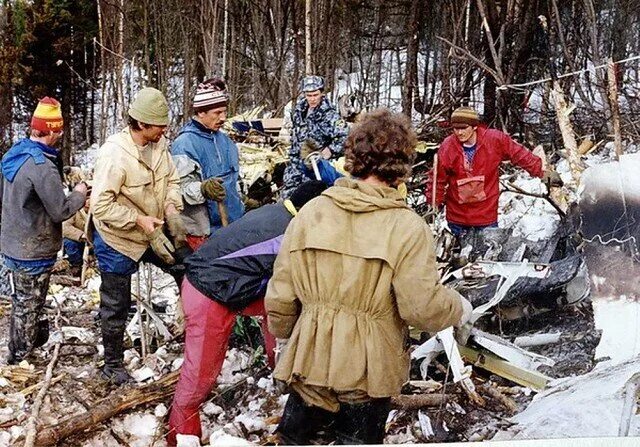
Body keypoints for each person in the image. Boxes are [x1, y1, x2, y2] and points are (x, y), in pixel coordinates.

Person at [265, 109, 472, 445]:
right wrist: (459, 307)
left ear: (354, 156)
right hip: (367, 371)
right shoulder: (407, 228)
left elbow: (280, 294)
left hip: (309, 362)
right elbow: (420, 307)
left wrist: (289, 339)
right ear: (403, 164)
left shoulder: (313, 212)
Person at [167, 180, 327, 446]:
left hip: (228, 283)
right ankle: (181, 434)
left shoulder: (277, 212)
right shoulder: (288, 234)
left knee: (283, 307)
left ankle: (278, 369)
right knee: (201, 374)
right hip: (210, 291)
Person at [90, 87, 186, 385]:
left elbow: (172, 179)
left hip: (153, 230)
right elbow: (100, 206)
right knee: (115, 302)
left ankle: (192, 332)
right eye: (159, 125)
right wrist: (138, 219)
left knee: (187, 268)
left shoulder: (159, 146)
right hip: (117, 238)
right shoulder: (114, 155)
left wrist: (171, 207)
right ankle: (113, 365)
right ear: (141, 124)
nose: (164, 130)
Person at [0, 97, 88, 364]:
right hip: (33, 249)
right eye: (58, 130)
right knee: (29, 307)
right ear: (49, 131)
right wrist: (80, 193)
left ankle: (20, 349)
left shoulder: (14, 154)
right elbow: (60, 210)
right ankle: (20, 360)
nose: (60, 135)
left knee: (21, 303)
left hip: (12, 243)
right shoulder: (42, 166)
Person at [427, 106, 562, 237]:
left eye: (464, 128)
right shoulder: (448, 146)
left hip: (485, 216)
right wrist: (433, 205)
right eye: (456, 128)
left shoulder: (494, 140)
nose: (459, 133)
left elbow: (519, 154)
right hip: (457, 217)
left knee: (487, 255)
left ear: (474, 126)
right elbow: (437, 179)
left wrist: (542, 172)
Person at [171, 78, 245, 250]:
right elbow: (179, 190)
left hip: (233, 226)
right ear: (201, 112)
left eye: (225, 112)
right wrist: (203, 189)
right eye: (217, 113)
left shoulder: (225, 141)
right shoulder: (184, 144)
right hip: (203, 232)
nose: (223, 118)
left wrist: (243, 200)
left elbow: (234, 179)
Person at [281, 75, 349, 197]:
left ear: (322, 93)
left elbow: (345, 137)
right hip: (295, 165)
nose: (312, 99)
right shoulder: (299, 111)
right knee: (288, 199)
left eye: (315, 95)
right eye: (309, 95)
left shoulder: (329, 115)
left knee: (310, 201)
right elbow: (296, 134)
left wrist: (329, 151)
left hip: (314, 168)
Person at [62, 198, 89, 275]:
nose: (89, 201)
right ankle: (76, 265)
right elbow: (65, 227)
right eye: (87, 198)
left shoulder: (99, 211)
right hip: (79, 241)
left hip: (94, 242)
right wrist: (81, 235)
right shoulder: (74, 211)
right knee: (69, 242)